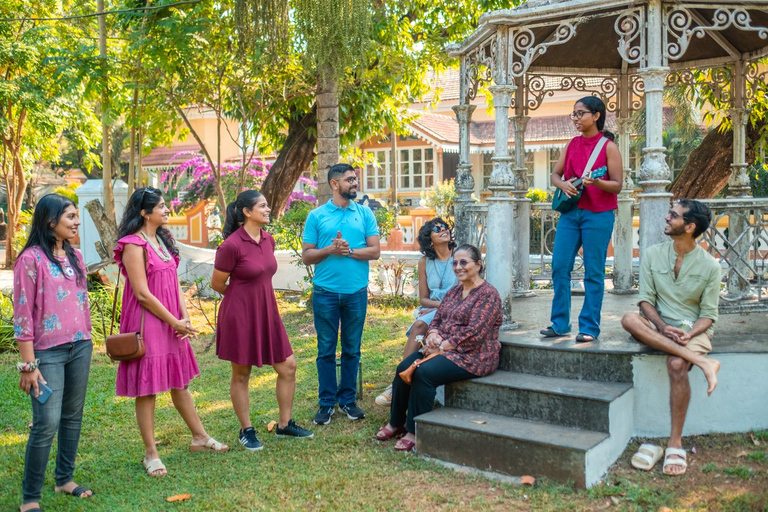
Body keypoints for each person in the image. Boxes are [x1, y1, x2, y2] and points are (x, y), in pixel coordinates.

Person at [115, 187, 228, 478]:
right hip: (148, 321)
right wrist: (173, 322)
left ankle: (200, 437)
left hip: (172, 321)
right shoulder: (133, 244)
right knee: (148, 388)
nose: (167, 210)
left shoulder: (161, 241)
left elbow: (173, 283)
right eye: (162, 207)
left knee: (180, 382)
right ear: (145, 212)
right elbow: (141, 293)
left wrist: (185, 317)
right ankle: (150, 454)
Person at [621, 199, 722, 476]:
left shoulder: (711, 267)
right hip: (659, 326)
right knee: (629, 319)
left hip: (693, 331)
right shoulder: (653, 254)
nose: (666, 218)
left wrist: (689, 333)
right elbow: (645, 301)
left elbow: (708, 315)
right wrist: (663, 327)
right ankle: (703, 364)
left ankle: (675, 443)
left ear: (689, 227)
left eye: (673, 215)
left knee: (676, 365)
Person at [211, 190, 313, 450]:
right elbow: (217, 284)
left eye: (268, 205)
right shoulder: (231, 245)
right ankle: (246, 430)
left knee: (288, 366)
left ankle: (284, 424)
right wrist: (241, 300)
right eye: (263, 206)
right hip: (240, 314)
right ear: (247, 212)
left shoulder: (269, 239)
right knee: (242, 373)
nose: (268, 210)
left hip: (268, 312)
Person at [376, 244, 502, 452]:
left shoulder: (488, 294)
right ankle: (396, 422)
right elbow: (438, 318)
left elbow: (475, 333)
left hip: (474, 355)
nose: (458, 267)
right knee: (403, 367)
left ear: (478, 265)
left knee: (424, 373)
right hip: (445, 349)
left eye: (464, 262)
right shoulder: (454, 291)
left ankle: (415, 430)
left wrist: (442, 347)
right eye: (455, 263)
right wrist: (433, 335)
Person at [13, 194, 94, 512]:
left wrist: (87, 338)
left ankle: (64, 479)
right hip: (46, 355)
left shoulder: (75, 256)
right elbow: (22, 315)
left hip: (80, 347)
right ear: (50, 222)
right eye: (70, 217)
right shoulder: (30, 259)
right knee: (46, 421)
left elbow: (81, 300)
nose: (76, 222)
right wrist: (28, 364)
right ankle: (30, 498)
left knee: (72, 417)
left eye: (76, 216)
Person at [301, 163, 380, 425]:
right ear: (334, 184)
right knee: (325, 350)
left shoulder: (365, 214)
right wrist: (330, 249)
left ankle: (347, 401)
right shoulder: (317, 216)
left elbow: (375, 251)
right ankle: (326, 404)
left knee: (351, 349)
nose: (355, 184)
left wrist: (349, 251)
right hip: (324, 293)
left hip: (356, 293)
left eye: (355, 179)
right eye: (349, 180)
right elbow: (307, 256)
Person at [541, 96, 623, 343]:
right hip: (570, 214)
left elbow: (617, 185)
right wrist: (563, 183)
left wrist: (597, 182)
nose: (575, 119)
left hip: (598, 215)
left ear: (596, 115)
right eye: (573, 114)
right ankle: (560, 323)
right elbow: (555, 175)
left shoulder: (609, 147)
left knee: (593, 272)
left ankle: (589, 327)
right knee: (559, 267)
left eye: (580, 114)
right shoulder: (572, 144)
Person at [375, 217, 457, 406]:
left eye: (445, 227)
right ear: (429, 239)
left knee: (421, 323)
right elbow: (423, 299)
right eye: (437, 229)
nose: (443, 230)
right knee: (420, 324)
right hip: (433, 308)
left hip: (456, 308)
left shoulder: (458, 256)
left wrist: (441, 307)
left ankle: (400, 382)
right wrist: (437, 307)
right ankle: (399, 382)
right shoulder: (424, 262)